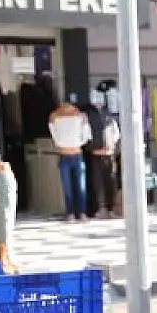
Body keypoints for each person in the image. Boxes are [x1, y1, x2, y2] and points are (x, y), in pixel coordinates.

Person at [48, 94, 90, 222]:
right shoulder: (80, 116)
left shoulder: (54, 117)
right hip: (76, 153)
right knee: (79, 186)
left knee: (69, 187)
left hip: (65, 154)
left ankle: (72, 213)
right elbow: (86, 136)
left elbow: (55, 137)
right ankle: (80, 213)